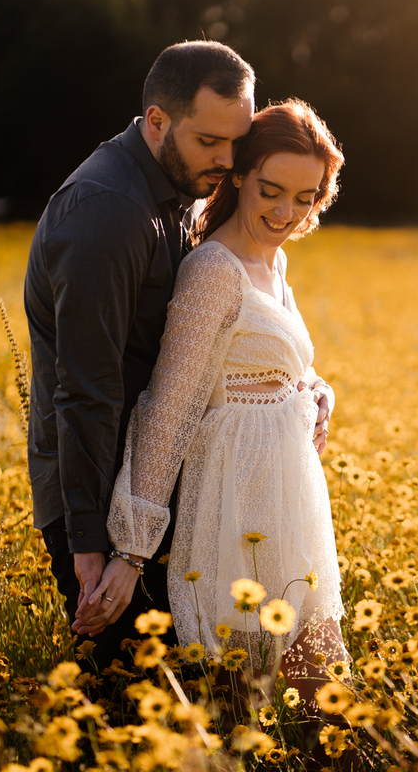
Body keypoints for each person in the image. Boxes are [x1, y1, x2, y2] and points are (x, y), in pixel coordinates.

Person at [23, 40, 335, 674]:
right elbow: (90, 389)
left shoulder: (184, 196)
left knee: (193, 691)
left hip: (171, 490)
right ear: (158, 121)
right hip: (105, 488)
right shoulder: (108, 212)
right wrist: (96, 544)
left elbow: (226, 350)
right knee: (138, 694)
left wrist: (303, 389)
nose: (228, 160)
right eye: (212, 143)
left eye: (236, 143)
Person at [93, 100, 349, 711]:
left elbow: (277, 363)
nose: (285, 212)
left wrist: (315, 390)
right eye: (270, 191)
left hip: (287, 497)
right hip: (234, 503)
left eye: (305, 197)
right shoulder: (213, 269)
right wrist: (132, 550)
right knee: (241, 691)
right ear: (238, 176)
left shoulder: (275, 260)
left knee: (321, 690)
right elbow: (171, 405)